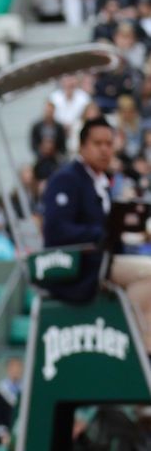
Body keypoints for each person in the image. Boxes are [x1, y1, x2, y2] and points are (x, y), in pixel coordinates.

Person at [41, 117, 151, 352]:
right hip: (82, 266)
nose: (104, 149)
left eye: (109, 144)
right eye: (97, 143)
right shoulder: (66, 179)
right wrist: (102, 233)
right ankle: (136, 344)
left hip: (104, 260)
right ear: (82, 147)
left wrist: (132, 234)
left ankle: (139, 341)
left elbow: (106, 229)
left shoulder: (101, 181)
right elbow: (55, 231)